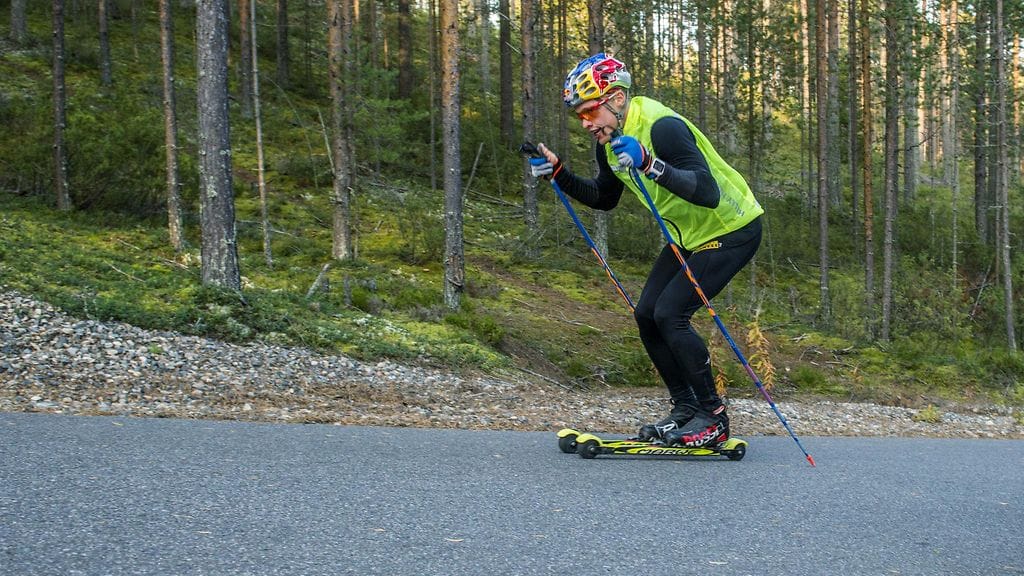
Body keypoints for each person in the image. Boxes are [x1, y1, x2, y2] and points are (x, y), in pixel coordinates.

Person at [530, 53, 763, 448]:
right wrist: (559, 174)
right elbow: (604, 198)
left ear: (617, 98)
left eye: (590, 111)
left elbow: (707, 192)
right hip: (689, 236)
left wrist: (651, 163)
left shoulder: (662, 127)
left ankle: (713, 417)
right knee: (647, 315)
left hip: (732, 227)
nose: (585, 123)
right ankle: (686, 409)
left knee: (671, 313)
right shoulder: (609, 142)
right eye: (579, 116)